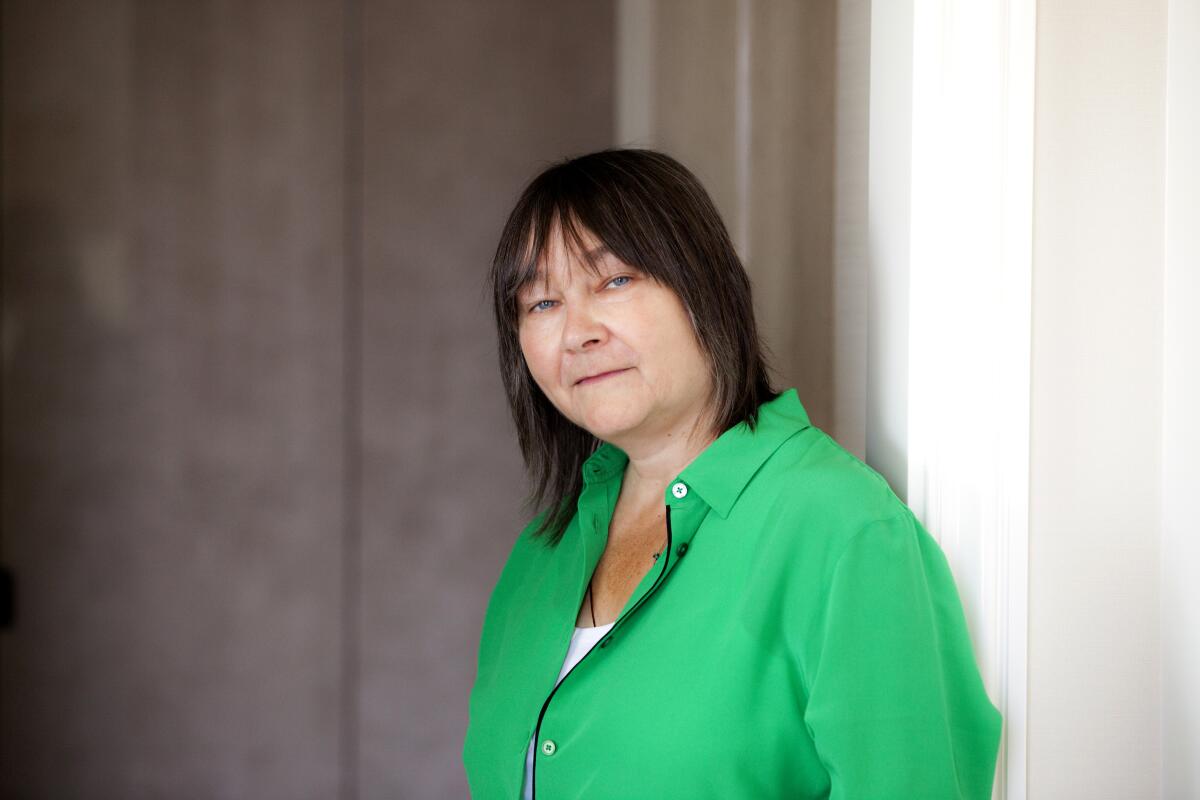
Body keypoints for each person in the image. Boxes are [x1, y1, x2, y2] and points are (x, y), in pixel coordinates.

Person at [462, 148, 1002, 799]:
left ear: (705, 287)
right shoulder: (542, 552)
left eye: (614, 281)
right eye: (542, 303)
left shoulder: (844, 529)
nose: (578, 332)